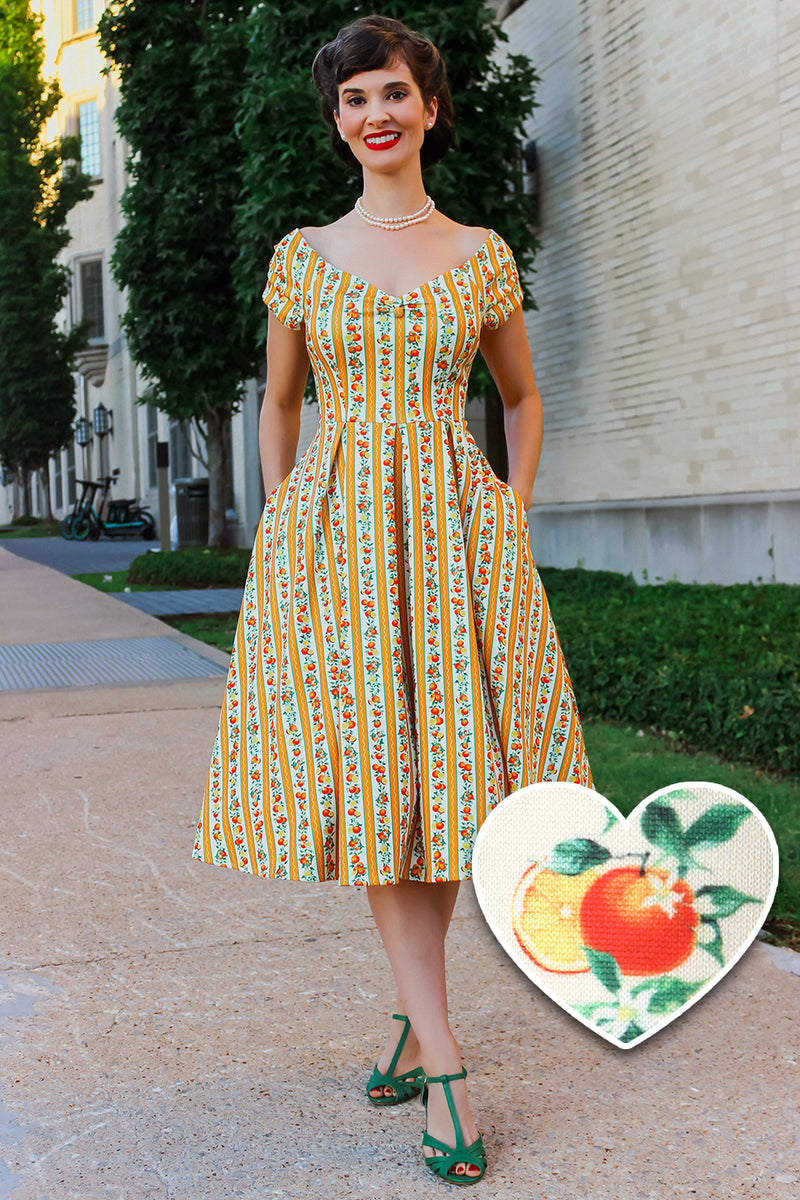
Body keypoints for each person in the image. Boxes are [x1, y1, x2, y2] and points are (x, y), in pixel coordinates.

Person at [193, 13, 593, 1187]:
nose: (373, 114)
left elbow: (518, 396)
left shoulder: (478, 253)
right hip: (336, 544)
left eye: (391, 94)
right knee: (380, 784)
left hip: (454, 534)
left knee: (451, 788)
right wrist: (281, 525)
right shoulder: (301, 254)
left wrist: (508, 514)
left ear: (428, 107)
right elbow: (277, 400)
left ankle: (415, 1024)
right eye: (352, 99)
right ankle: (448, 1062)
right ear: (338, 123)